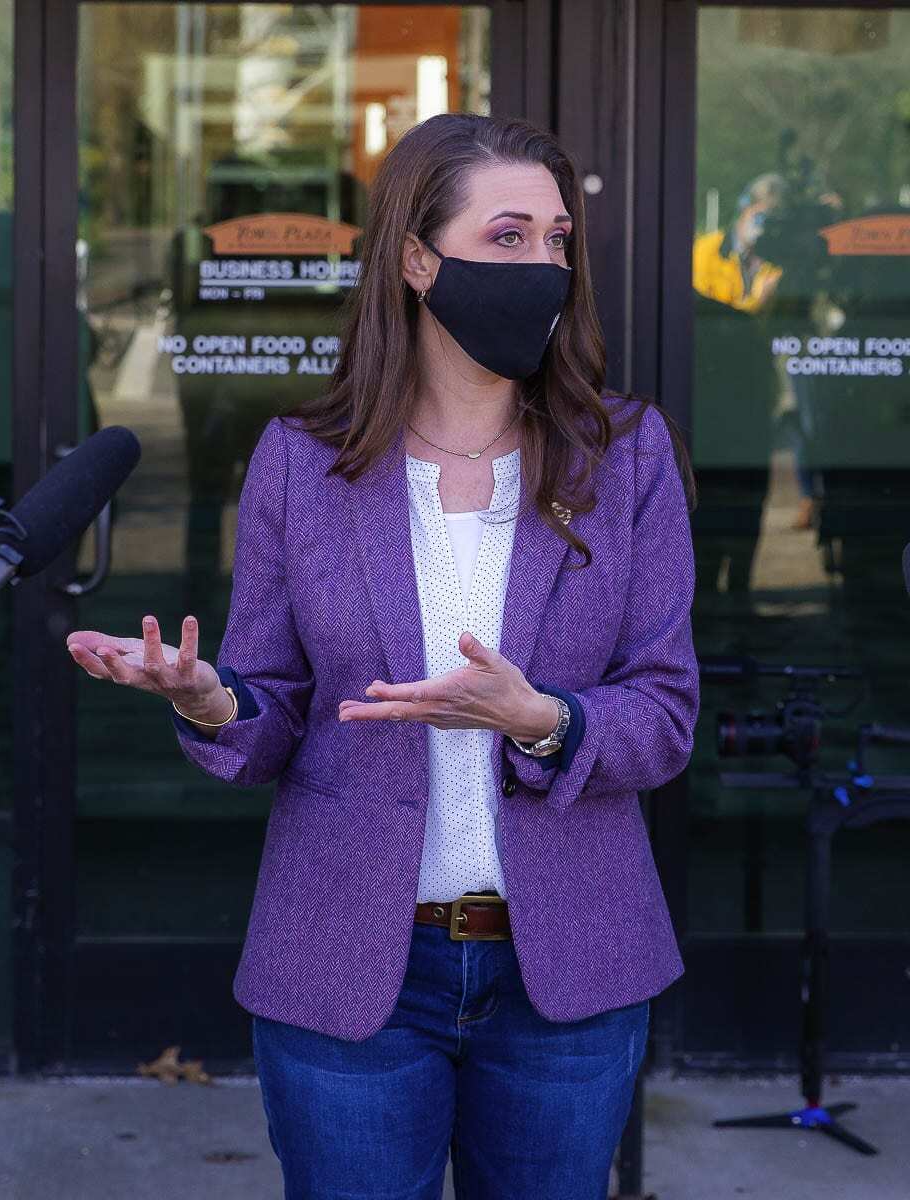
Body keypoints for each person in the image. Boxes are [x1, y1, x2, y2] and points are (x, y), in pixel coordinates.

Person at [66, 113, 700, 1200]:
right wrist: (212, 700)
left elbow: (666, 711)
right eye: (508, 236)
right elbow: (271, 708)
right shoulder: (301, 466)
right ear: (416, 258)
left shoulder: (626, 454)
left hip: (570, 969)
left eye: (558, 240)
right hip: (349, 966)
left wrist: (541, 719)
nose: (542, 265)